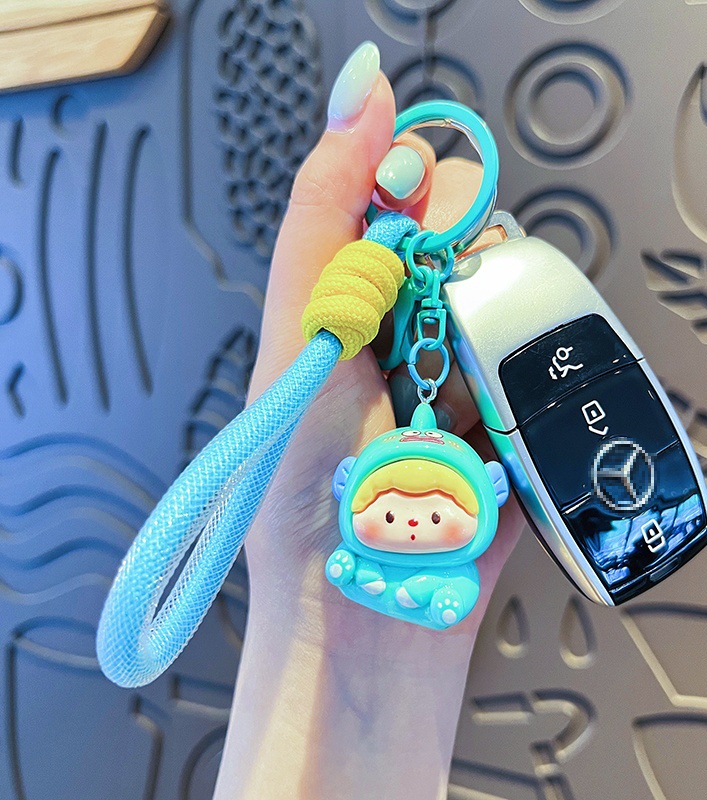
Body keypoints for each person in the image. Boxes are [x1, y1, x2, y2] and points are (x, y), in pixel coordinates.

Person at [213, 41, 526, 800]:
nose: (412, 526)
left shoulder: (428, 514)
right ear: (348, 482)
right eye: (397, 512)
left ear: (489, 492)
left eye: (430, 516)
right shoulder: (354, 522)